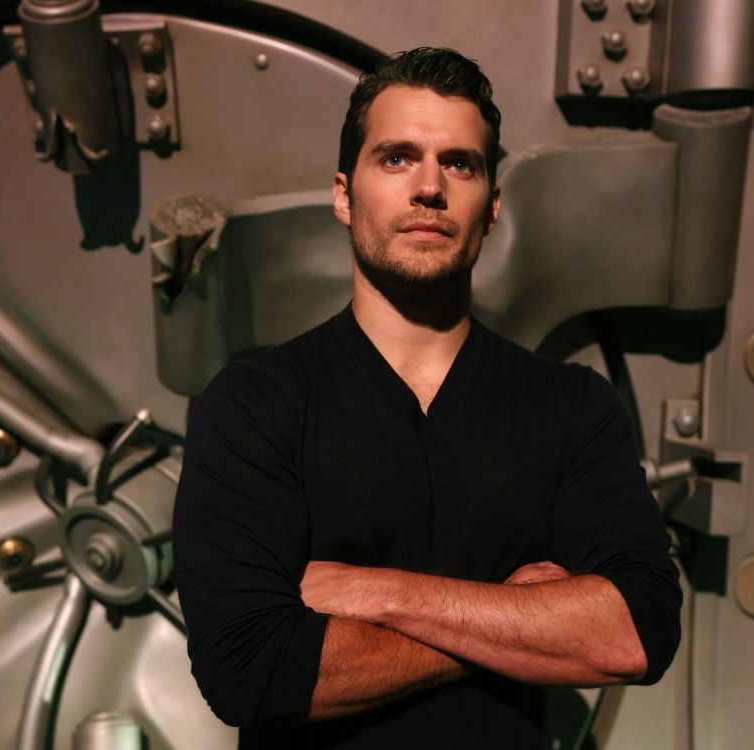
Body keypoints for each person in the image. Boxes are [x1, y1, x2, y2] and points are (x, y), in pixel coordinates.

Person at [172, 47, 681, 749]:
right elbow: (253, 671)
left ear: (492, 207)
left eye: (460, 164)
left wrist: (378, 593)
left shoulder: (571, 406)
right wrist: (527, 619)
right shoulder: (255, 406)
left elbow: (638, 631)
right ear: (345, 196)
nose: (430, 187)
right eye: (397, 158)